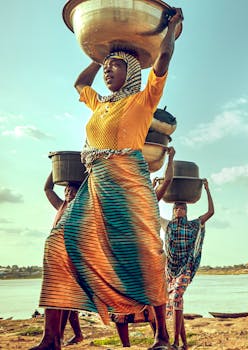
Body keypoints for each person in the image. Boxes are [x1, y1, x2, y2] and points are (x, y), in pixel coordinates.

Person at [31, 7, 183, 350]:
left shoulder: (144, 101)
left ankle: (161, 335)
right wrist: (100, 57)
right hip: (95, 183)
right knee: (58, 246)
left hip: (129, 182)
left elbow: (164, 60)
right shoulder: (99, 104)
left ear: (130, 73)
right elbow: (80, 83)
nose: (107, 73)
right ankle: (51, 338)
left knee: (145, 254)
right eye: (107, 67)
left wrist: (171, 29)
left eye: (115, 66)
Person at [112, 146, 175, 347]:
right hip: (123, 255)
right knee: (120, 303)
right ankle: (126, 346)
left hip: (147, 254)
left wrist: (170, 158)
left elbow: (168, 180)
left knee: (153, 298)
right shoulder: (120, 198)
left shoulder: (151, 199)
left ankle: (161, 338)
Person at [161, 180, 214, 350]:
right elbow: (150, 211)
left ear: (186, 211)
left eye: (182, 209)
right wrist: (155, 187)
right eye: (176, 208)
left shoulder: (193, 225)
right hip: (170, 270)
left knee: (176, 297)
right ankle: (184, 344)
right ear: (173, 211)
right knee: (178, 303)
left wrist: (207, 189)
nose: (179, 211)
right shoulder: (167, 225)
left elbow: (211, 212)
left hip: (186, 267)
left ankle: (175, 342)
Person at [44, 172, 84, 346]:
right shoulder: (61, 205)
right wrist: (55, 169)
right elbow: (47, 189)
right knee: (66, 300)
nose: (68, 193)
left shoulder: (81, 207)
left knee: (63, 298)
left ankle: (57, 338)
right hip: (57, 256)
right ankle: (58, 337)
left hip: (71, 256)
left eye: (73, 190)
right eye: (67, 190)